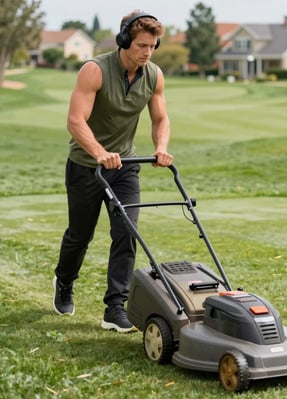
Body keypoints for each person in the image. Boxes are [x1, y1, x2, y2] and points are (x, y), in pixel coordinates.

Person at [53, 10, 173, 333]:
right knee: (80, 236)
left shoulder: (153, 75)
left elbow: (161, 119)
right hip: (86, 166)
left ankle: (114, 308)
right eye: (142, 46)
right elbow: (75, 121)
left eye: (153, 46)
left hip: (126, 167)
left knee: (127, 232)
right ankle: (64, 281)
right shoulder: (94, 71)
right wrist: (100, 153)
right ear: (123, 41)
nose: (147, 52)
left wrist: (161, 147)